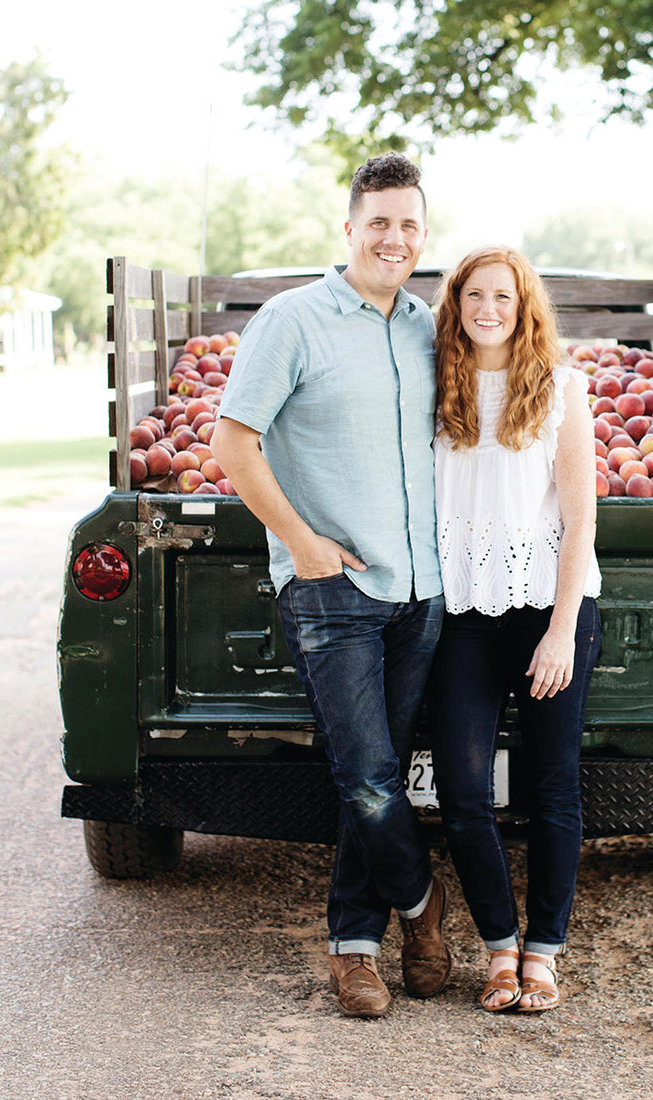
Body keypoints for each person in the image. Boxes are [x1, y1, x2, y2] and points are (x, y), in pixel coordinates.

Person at [211, 153, 450, 1019]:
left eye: (409, 224)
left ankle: (356, 946)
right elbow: (233, 445)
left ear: (424, 237)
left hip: (421, 592)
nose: (394, 237)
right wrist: (303, 544)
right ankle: (423, 910)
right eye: (378, 221)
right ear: (349, 227)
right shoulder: (291, 321)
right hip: (333, 591)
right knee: (369, 777)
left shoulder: (430, 326)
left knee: (376, 770)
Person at [426, 246, 603, 1013]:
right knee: (464, 792)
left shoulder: (562, 389)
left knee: (553, 785)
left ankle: (544, 954)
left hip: (549, 608)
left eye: (503, 295)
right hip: (464, 612)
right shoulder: (435, 387)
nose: (488, 308)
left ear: (525, 306)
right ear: (455, 305)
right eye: (474, 295)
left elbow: (579, 518)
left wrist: (561, 631)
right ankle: (499, 947)